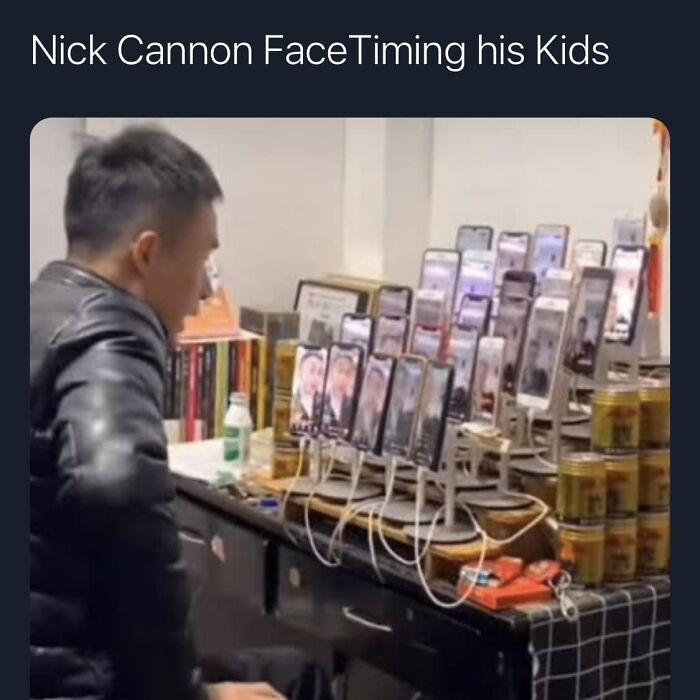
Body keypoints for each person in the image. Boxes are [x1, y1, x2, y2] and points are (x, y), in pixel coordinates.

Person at [30, 127, 332, 700]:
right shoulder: (110, 332)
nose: (205, 292)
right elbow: (117, 486)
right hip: (71, 675)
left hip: (54, 655)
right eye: (203, 259)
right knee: (296, 679)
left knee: (291, 668)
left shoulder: (41, 307)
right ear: (145, 254)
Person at [353, 365, 388, 448]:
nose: (373, 388)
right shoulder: (357, 410)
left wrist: (379, 411)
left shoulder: (384, 415)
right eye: (371, 383)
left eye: (377, 385)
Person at [322, 351, 357, 433]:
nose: (343, 377)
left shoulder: (355, 407)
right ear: (331, 372)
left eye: (348, 373)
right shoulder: (320, 402)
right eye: (340, 371)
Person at [291, 351, 325, 432]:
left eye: (320, 373)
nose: (316, 377)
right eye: (311, 370)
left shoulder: (325, 404)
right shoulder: (291, 400)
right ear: (300, 371)